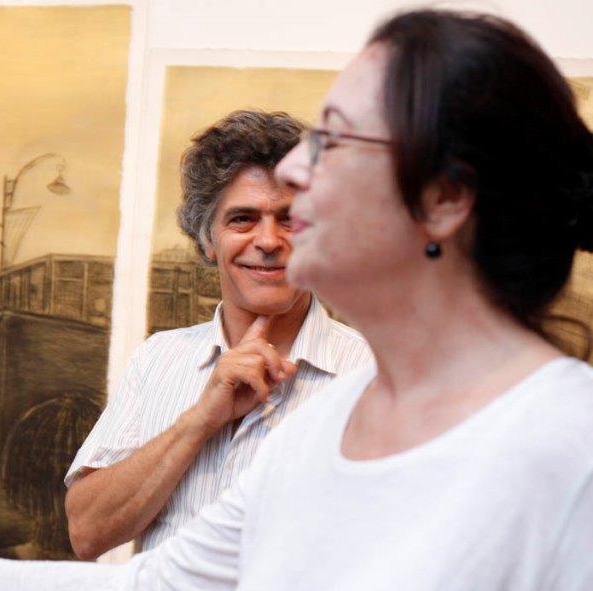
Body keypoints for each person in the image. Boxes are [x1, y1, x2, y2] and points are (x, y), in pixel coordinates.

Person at [0, 9, 593, 591]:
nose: (298, 176)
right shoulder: (337, 421)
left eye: (334, 139)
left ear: (445, 198)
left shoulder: (579, 462)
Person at [64, 110, 372, 559]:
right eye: (242, 219)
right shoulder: (157, 359)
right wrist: (201, 420)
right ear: (208, 240)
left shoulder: (372, 375)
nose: (268, 241)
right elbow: (87, 533)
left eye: (290, 219)